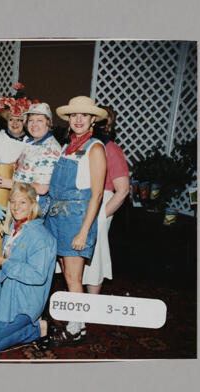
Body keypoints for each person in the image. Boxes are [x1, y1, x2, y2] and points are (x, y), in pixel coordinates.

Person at [44, 96, 107, 345]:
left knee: (73, 277)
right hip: (57, 215)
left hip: (77, 218)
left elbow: (98, 193)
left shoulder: (95, 148)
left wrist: (83, 232)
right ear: (69, 120)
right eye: (74, 115)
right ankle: (76, 323)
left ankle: (76, 327)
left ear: (93, 119)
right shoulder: (66, 146)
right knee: (65, 274)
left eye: (84, 115)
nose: (78, 120)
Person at [0, 183, 58, 352]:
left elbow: (37, 276)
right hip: (7, 294)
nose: (16, 207)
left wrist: (4, 262)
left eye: (23, 202)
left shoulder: (42, 238)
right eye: (13, 202)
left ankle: (38, 329)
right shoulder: (14, 229)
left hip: (23, 303)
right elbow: (6, 268)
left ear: (34, 205)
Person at [83, 106, 130, 293]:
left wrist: (101, 216)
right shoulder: (85, 146)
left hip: (103, 202)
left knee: (95, 258)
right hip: (83, 202)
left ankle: (90, 308)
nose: (103, 127)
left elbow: (123, 189)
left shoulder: (111, 149)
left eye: (107, 124)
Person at [0, 103, 61, 195]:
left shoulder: (51, 148)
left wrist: (10, 184)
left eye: (39, 120)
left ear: (48, 123)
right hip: (20, 198)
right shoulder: (31, 142)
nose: (34, 125)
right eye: (31, 120)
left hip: (34, 204)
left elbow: (41, 189)